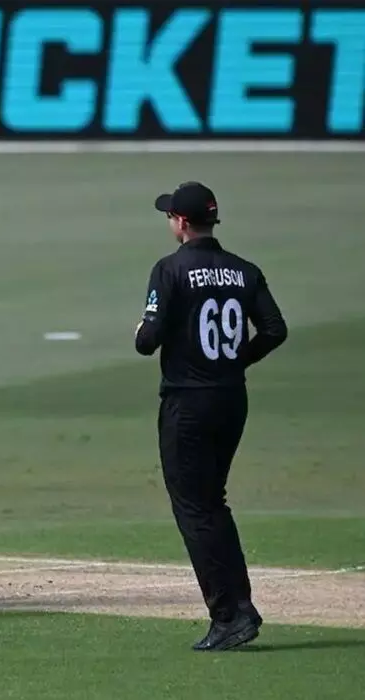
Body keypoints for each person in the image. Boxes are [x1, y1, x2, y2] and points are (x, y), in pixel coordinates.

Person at [137, 181, 287, 651]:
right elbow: (274, 329)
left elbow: (147, 341)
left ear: (182, 222)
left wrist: (143, 329)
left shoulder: (170, 270)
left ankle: (229, 615)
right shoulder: (244, 270)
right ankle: (240, 607)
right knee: (212, 503)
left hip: (187, 403)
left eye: (170, 216)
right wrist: (235, 361)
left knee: (195, 508)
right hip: (230, 399)